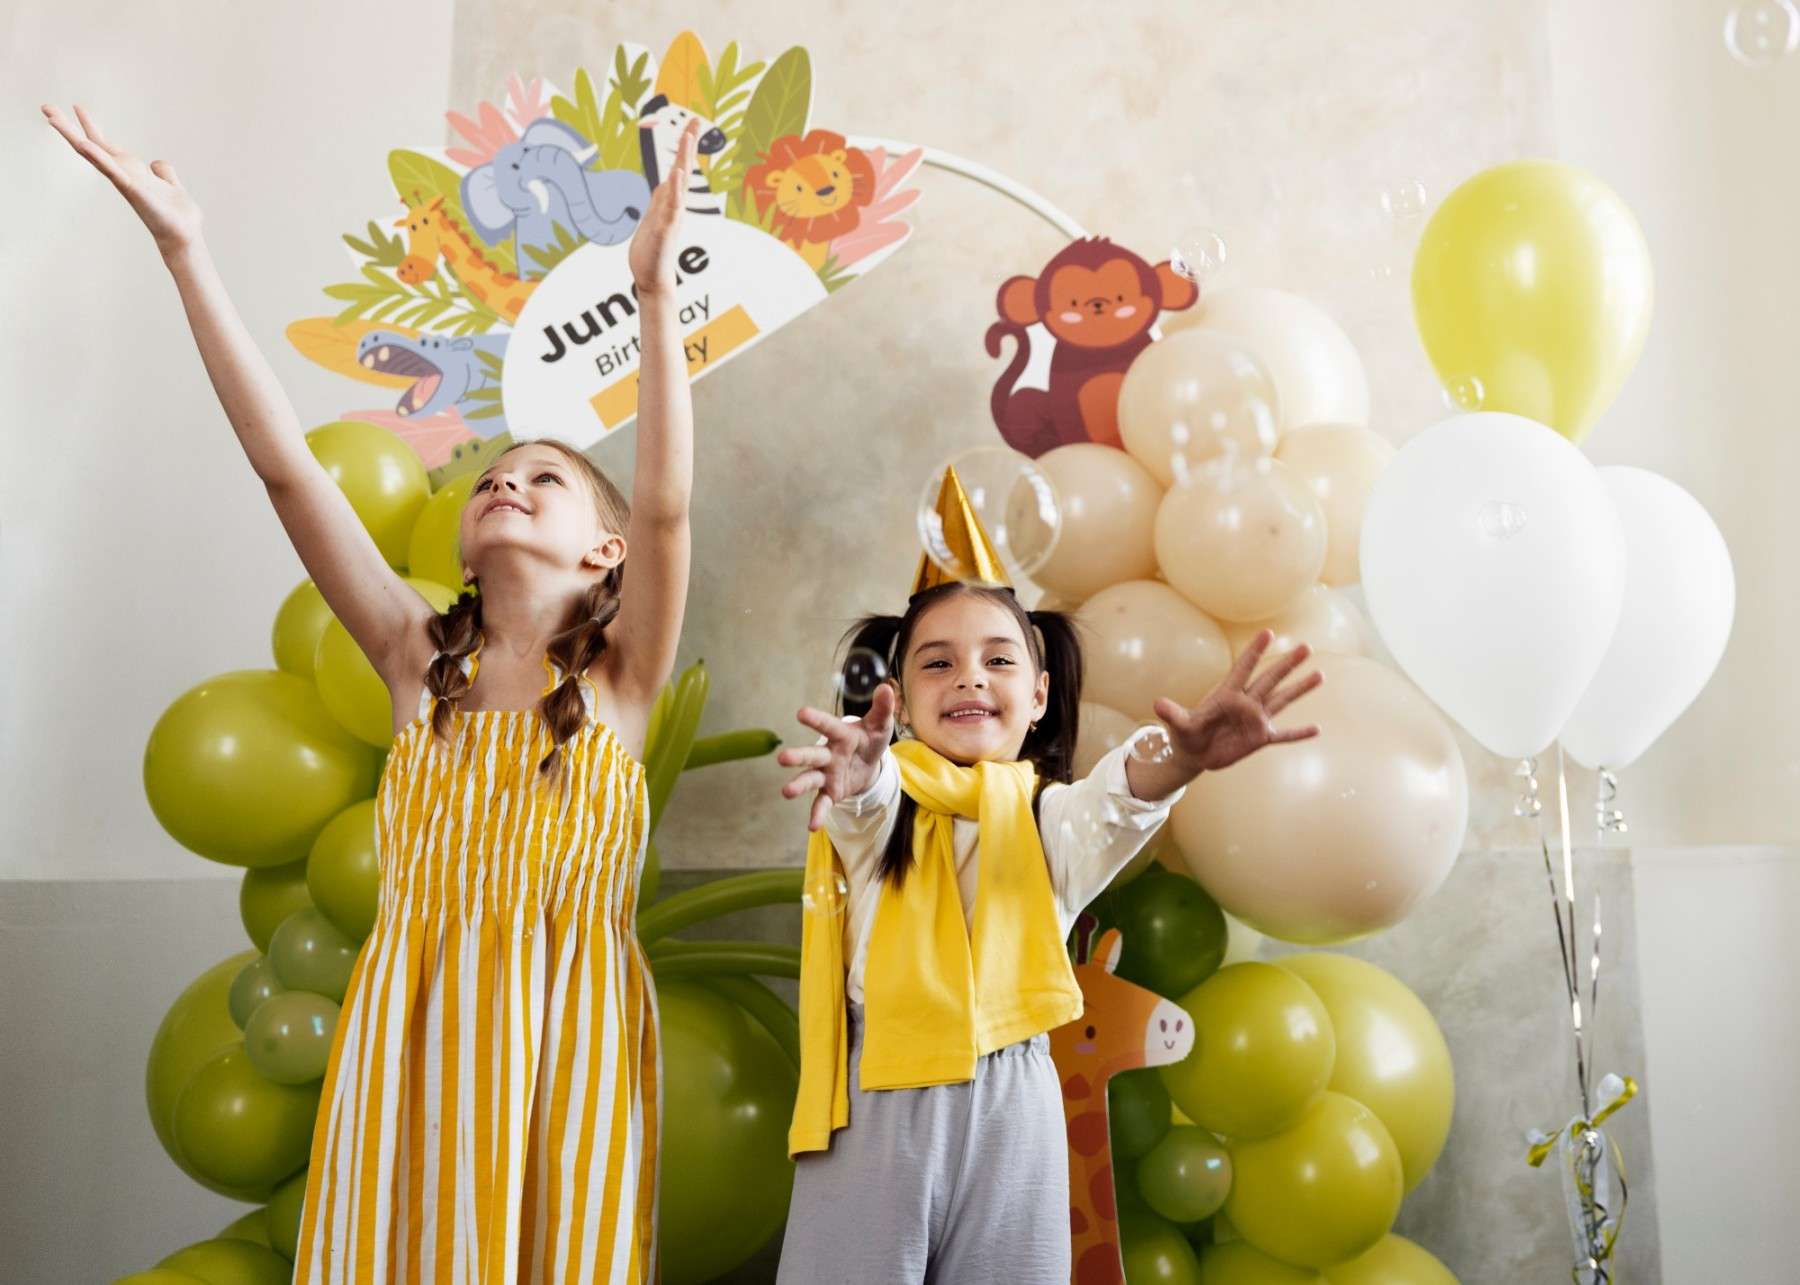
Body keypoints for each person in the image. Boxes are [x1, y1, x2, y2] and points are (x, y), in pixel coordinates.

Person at [45, 101, 705, 1283]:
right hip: (412, 1038)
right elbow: (284, 468)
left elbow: (664, 502)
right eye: (494, 475)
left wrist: (653, 295)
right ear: (459, 540)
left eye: (545, 478)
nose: (508, 483)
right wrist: (186, 253)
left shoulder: (623, 673)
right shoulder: (416, 660)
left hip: (573, 1040)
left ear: (604, 553)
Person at [774, 470, 1321, 1282]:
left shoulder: (1048, 821)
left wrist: (1185, 756)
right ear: (898, 698)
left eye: (997, 658)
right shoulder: (881, 807)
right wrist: (859, 777)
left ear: (1037, 697)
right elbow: (866, 808)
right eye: (937, 663)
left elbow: (1120, 799)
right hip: (881, 1086)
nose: (968, 677)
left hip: (1015, 1092)